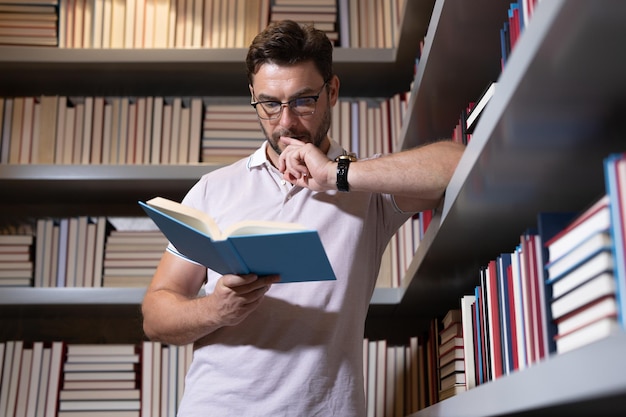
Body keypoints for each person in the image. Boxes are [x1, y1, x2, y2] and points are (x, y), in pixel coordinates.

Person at [141, 20, 465, 416]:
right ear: (253, 97)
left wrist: (335, 175)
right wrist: (214, 310)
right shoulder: (212, 189)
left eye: (302, 101)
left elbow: (455, 163)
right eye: (269, 104)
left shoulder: (367, 187)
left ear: (331, 91)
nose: (286, 122)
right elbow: (156, 313)